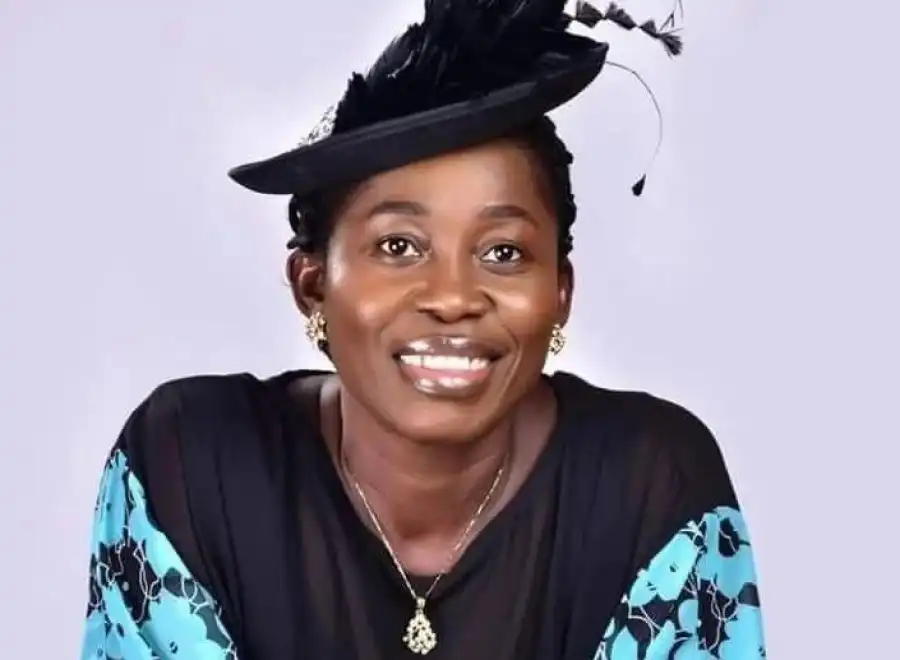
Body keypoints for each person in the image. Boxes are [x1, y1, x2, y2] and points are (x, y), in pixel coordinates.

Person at [80, 1, 766, 658]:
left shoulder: (652, 482)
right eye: (398, 246)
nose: (453, 298)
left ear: (560, 294)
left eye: (504, 252)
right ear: (312, 285)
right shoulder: (193, 463)